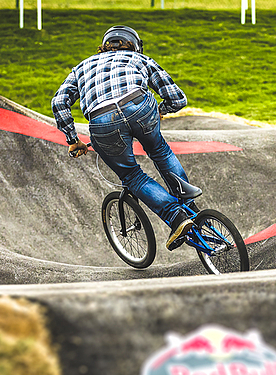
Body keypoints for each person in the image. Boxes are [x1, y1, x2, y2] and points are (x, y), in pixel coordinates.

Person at [51, 25, 198, 251]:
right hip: (139, 105)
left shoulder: (81, 67)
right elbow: (177, 99)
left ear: (104, 45)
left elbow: (59, 102)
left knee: (132, 176)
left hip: (102, 120)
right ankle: (190, 206)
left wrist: (73, 140)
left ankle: (177, 218)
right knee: (160, 151)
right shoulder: (140, 59)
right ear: (136, 46)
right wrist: (158, 111)